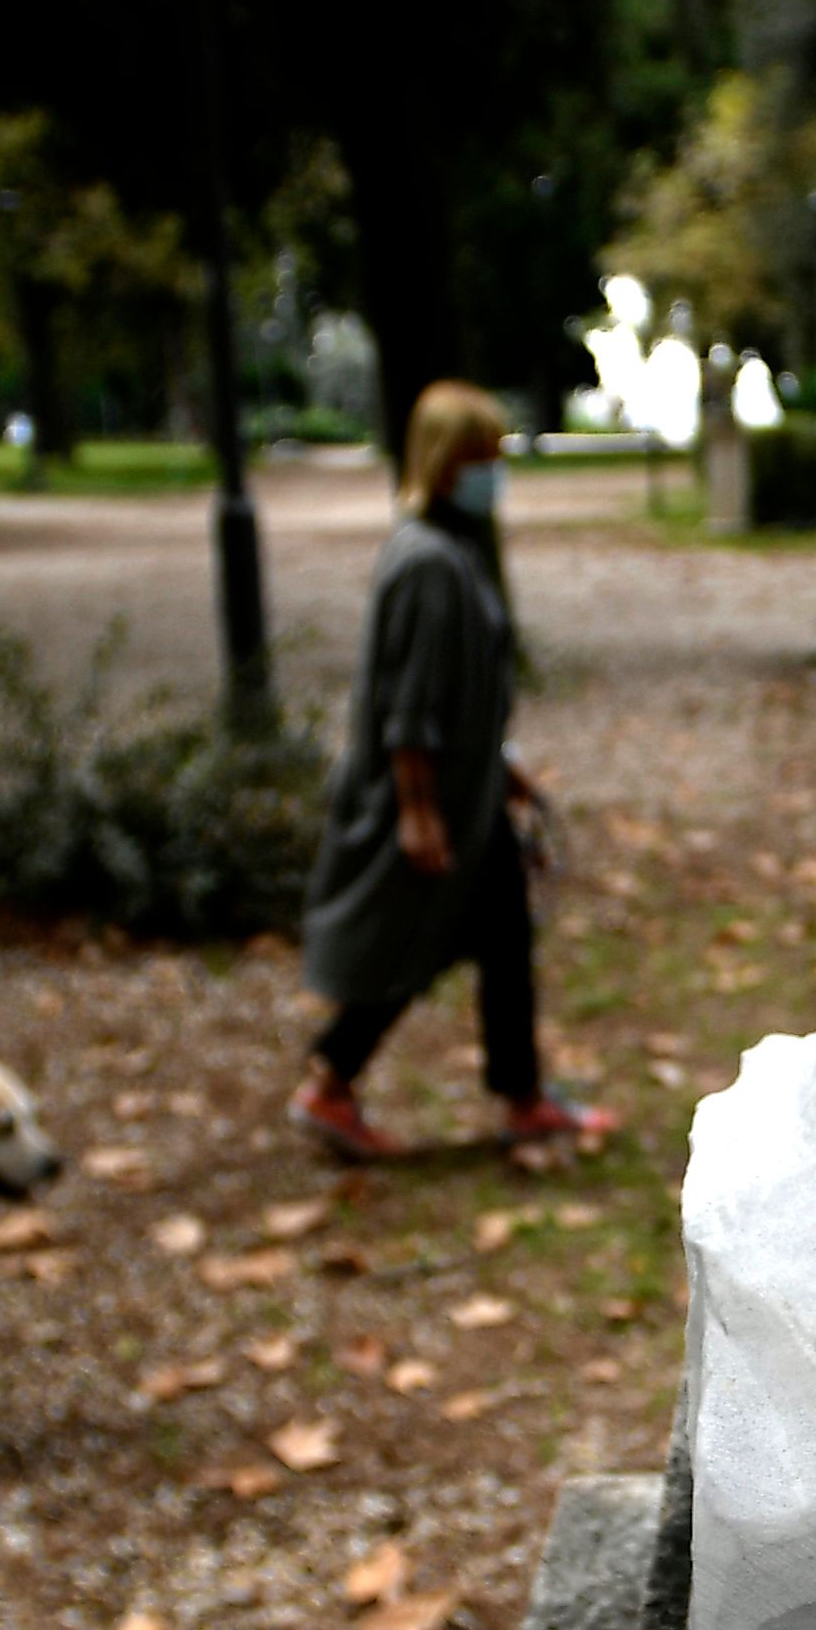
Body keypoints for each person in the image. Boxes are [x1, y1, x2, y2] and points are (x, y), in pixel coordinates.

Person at [291, 381, 616, 1162]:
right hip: (435, 800)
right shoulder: (429, 563)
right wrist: (418, 808)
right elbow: (409, 703)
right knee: (418, 938)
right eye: (479, 457)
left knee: (499, 935)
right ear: (443, 463)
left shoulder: (448, 549)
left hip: (468, 795)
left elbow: (458, 689)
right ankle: (333, 1084)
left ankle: (520, 1097)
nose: (492, 471)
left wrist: (500, 765)